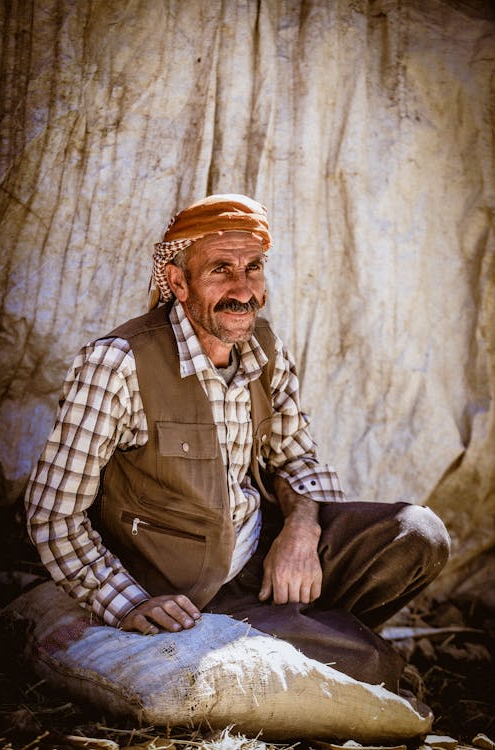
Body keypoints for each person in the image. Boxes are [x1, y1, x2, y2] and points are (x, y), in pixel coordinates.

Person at [25, 193, 450, 692]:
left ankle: (309, 633)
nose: (242, 289)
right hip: (195, 596)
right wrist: (132, 603)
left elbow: (298, 458)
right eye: (221, 269)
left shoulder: (263, 348)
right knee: (376, 669)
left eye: (253, 268)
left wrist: (300, 530)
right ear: (179, 282)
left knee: (418, 534)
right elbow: (52, 513)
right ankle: (311, 640)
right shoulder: (118, 364)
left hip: (265, 556)